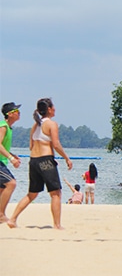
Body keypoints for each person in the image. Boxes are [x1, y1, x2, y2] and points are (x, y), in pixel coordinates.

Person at [8, 98, 73, 229]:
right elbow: (56, 144)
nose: (55, 109)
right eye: (53, 106)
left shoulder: (35, 125)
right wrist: (67, 158)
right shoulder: (51, 124)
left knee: (32, 194)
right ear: (49, 109)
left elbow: (31, 146)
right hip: (46, 161)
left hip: (34, 161)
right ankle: (57, 225)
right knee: (56, 193)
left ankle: (13, 219)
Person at [0, 102, 22, 224]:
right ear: (10, 114)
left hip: (2, 161)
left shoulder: (8, 127)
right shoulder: (3, 126)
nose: (19, 113)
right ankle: (1, 215)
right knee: (11, 183)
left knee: (2, 188)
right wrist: (11, 158)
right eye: (16, 111)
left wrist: (12, 154)